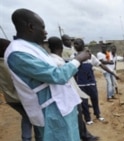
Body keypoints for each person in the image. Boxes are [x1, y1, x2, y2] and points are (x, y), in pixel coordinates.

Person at [4, 8, 91, 141]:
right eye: (43, 28)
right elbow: (57, 75)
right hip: (52, 113)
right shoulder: (18, 53)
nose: (45, 32)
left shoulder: (32, 48)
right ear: (31, 27)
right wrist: (78, 59)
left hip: (61, 107)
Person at [47, 37, 99, 141]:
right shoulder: (61, 61)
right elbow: (67, 75)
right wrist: (79, 60)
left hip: (66, 93)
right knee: (76, 114)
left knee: (78, 113)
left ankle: (84, 134)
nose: (74, 45)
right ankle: (84, 136)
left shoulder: (51, 59)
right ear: (61, 47)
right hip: (66, 94)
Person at [0, 38, 42, 141]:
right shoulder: (11, 62)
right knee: (34, 118)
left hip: (10, 99)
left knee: (27, 117)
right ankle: (32, 138)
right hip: (23, 98)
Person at [73, 38, 119, 125]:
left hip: (91, 82)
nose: (75, 45)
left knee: (95, 99)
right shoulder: (74, 57)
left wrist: (113, 73)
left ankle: (97, 115)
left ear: (82, 45)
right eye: (74, 44)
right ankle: (87, 118)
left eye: (77, 44)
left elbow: (102, 65)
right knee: (84, 102)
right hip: (81, 84)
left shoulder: (91, 56)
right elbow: (73, 72)